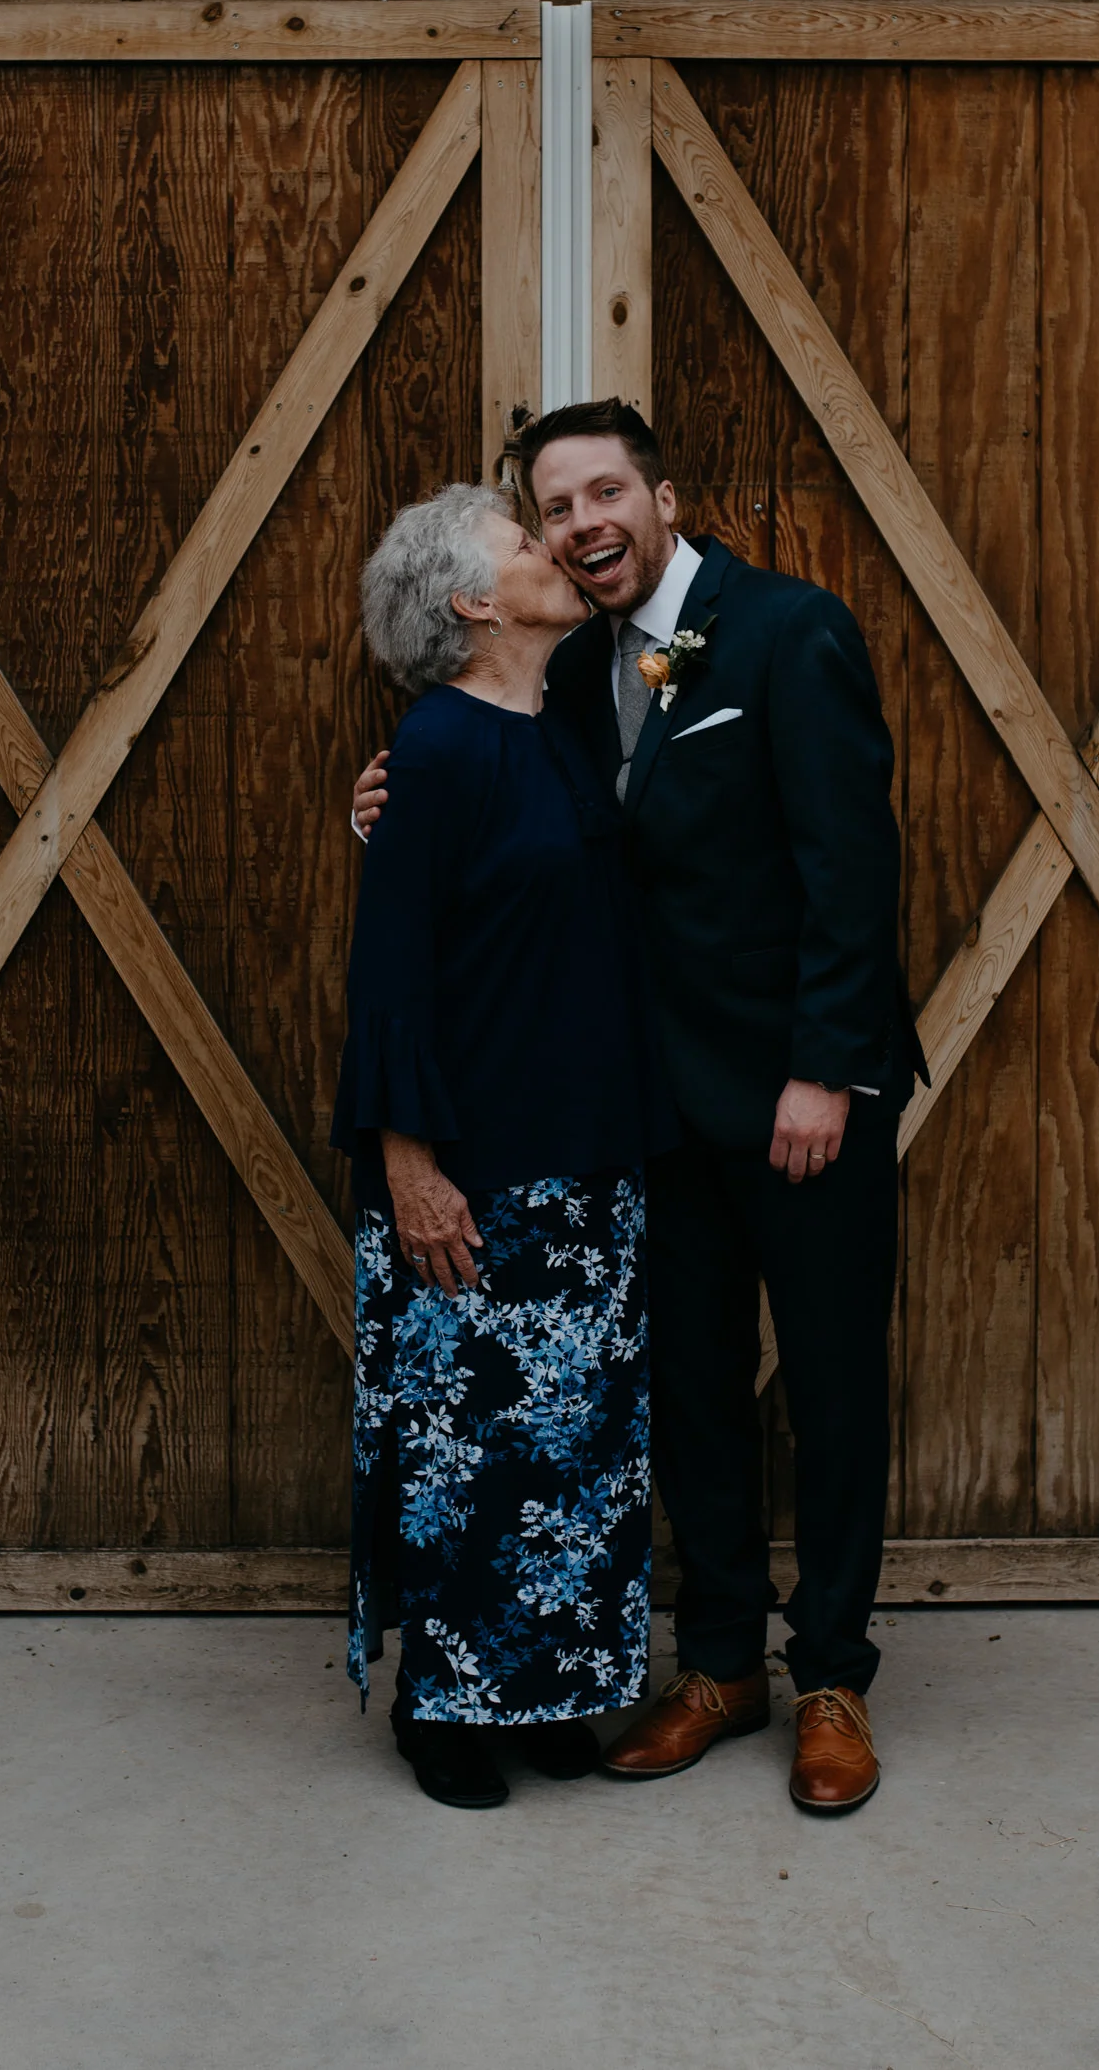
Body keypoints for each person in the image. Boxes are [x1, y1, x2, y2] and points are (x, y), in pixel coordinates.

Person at [355, 400, 926, 1817]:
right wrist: (385, 808)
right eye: (554, 508)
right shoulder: (553, 678)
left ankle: (835, 1675)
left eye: (606, 491)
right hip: (647, 1120)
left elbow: (853, 868)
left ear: (666, 497)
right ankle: (722, 1664)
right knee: (695, 1400)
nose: (583, 524)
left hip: (800, 1105)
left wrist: (824, 1068)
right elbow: (488, 838)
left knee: (838, 1387)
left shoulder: (787, 634)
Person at [332, 481, 672, 1812]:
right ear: (477, 603)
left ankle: (541, 1692)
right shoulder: (436, 747)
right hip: (471, 1171)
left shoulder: (562, 723)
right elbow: (393, 974)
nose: (551, 552)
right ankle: (446, 1713)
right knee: (459, 1449)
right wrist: (407, 1161)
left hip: (587, 1158)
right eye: (525, 543)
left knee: (575, 1446)